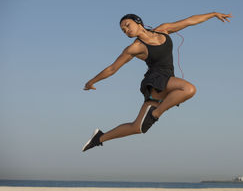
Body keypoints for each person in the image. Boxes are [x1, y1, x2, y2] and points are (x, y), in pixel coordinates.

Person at [82, 11, 232, 152]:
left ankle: (99, 138)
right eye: (123, 30)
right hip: (155, 80)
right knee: (189, 89)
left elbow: (189, 21)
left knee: (138, 127)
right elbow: (113, 68)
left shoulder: (163, 30)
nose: (126, 30)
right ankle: (156, 113)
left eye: (127, 25)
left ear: (138, 22)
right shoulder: (135, 47)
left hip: (167, 79)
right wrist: (91, 82)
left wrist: (213, 14)